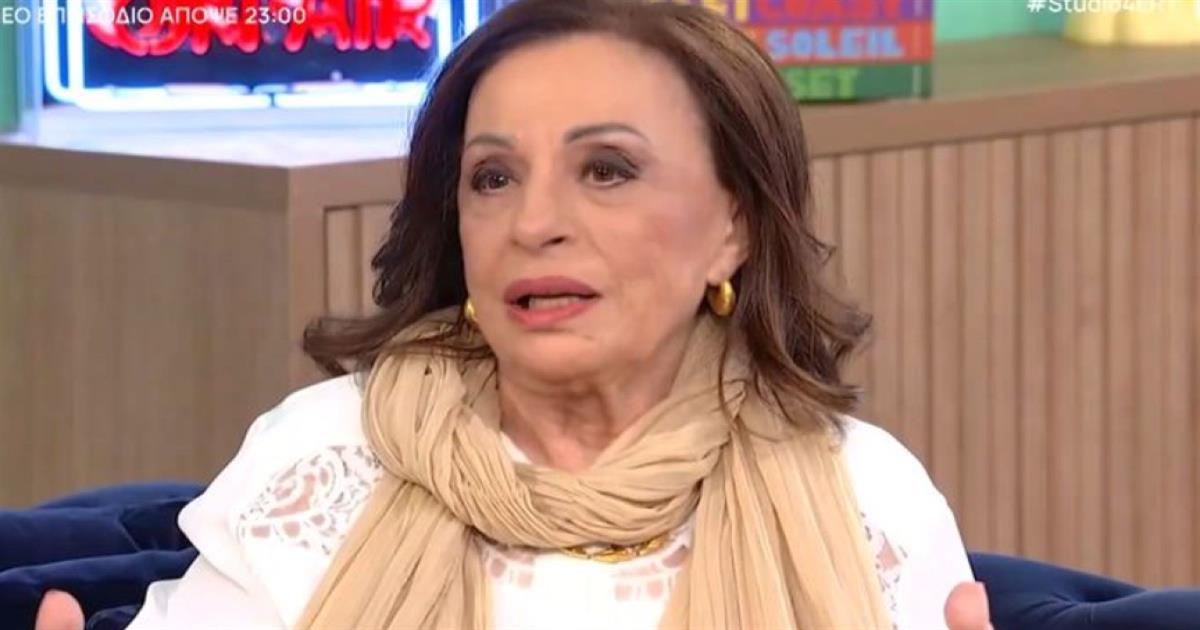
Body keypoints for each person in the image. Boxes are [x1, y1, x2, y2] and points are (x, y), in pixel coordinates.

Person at [38, 0, 993, 628]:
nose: (534, 224)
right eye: (492, 178)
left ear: (732, 228)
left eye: (606, 170)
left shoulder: (865, 497)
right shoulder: (320, 462)